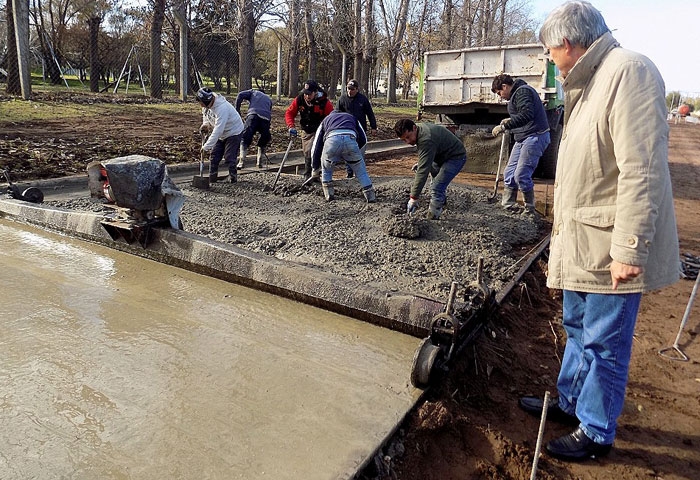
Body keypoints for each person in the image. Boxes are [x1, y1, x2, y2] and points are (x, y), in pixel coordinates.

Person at [517, 1, 679, 462]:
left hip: (610, 246)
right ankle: (570, 402)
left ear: (568, 43)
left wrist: (629, 246)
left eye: (550, 50)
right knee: (577, 327)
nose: (549, 59)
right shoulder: (586, 83)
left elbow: (641, 169)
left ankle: (596, 429)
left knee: (605, 341)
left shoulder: (629, 73)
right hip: (582, 240)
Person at [491, 74, 551, 212]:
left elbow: (526, 115)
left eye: (499, 92)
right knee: (509, 174)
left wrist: (505, 126)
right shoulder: (517, 94)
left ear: (505, 87)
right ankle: (508, 206)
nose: (500, 96)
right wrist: (510, 119)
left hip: (535, 135)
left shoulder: (522, 92)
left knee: (521, 175)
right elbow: (524, 112)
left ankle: (530, 210)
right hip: (523, 137)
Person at [394, 119, 466, 220]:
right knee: (435, 181)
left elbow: (422, 172)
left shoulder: (426, 139)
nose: (408, 142)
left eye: (408, 137)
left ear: (414, 128)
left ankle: (433, 217)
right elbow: (427, 156)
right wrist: (423, 163)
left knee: (437, 186)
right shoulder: (418, 130)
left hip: (455, 157)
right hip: (441, 155)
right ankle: (441, 201)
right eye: (403, 140)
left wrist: (413, 198)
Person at [310, 111, 376, 203]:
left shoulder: (325, 120)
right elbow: (363, 139)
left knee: (327, 170)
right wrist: (357, 156)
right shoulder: (352, 118)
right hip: (350, 139)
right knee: (361, 172)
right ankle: (370, 196)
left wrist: (315, 168)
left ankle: (329, 195)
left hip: (331, 141)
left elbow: (316, 146)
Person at [285, 80, 334, 180]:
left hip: (320, 130)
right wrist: (291, 126)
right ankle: (310, 173)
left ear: (315, 92)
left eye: (309, 94)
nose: (307, 96)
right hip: (306, 130)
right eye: (305, 94)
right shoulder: (299, 99)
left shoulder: (324, 102)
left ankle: (314, 173)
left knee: (313, 150)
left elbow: (332, 116)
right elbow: (289, 113)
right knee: (307, 152)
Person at [196, 87, 245, 183]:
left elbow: (218, 130)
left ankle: (233, 178)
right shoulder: (205, 104)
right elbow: (206, 115)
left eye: (202, 104)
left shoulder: (222, 108)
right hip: (222, 132)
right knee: (214, 155)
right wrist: (205, 124)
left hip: (233, 131)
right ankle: (212, 178)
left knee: (229, 156)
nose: (201, 105)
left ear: (209, 101)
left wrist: (206, 147)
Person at [336, 79, 378, 178]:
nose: (350, 91)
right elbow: (337, 114)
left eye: (352, 89)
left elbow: (370, 114)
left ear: (357, 89)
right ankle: (349, 172)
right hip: (347, 129)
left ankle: (359, 172)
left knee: (360, 151)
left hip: (360, 129)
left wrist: (373, 127)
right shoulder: (342, 99)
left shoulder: (363, 99)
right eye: (348, 89)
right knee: (348, 151)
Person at [235, 88, 274, 169]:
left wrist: (237, 110)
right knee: (264, 138)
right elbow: (269, 112)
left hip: (253, 115)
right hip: (266, 118)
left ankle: (241, 161)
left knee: (245, 137)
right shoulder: (269, 99)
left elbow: (240, 95)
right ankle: (259, 161)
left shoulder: (253, 92)